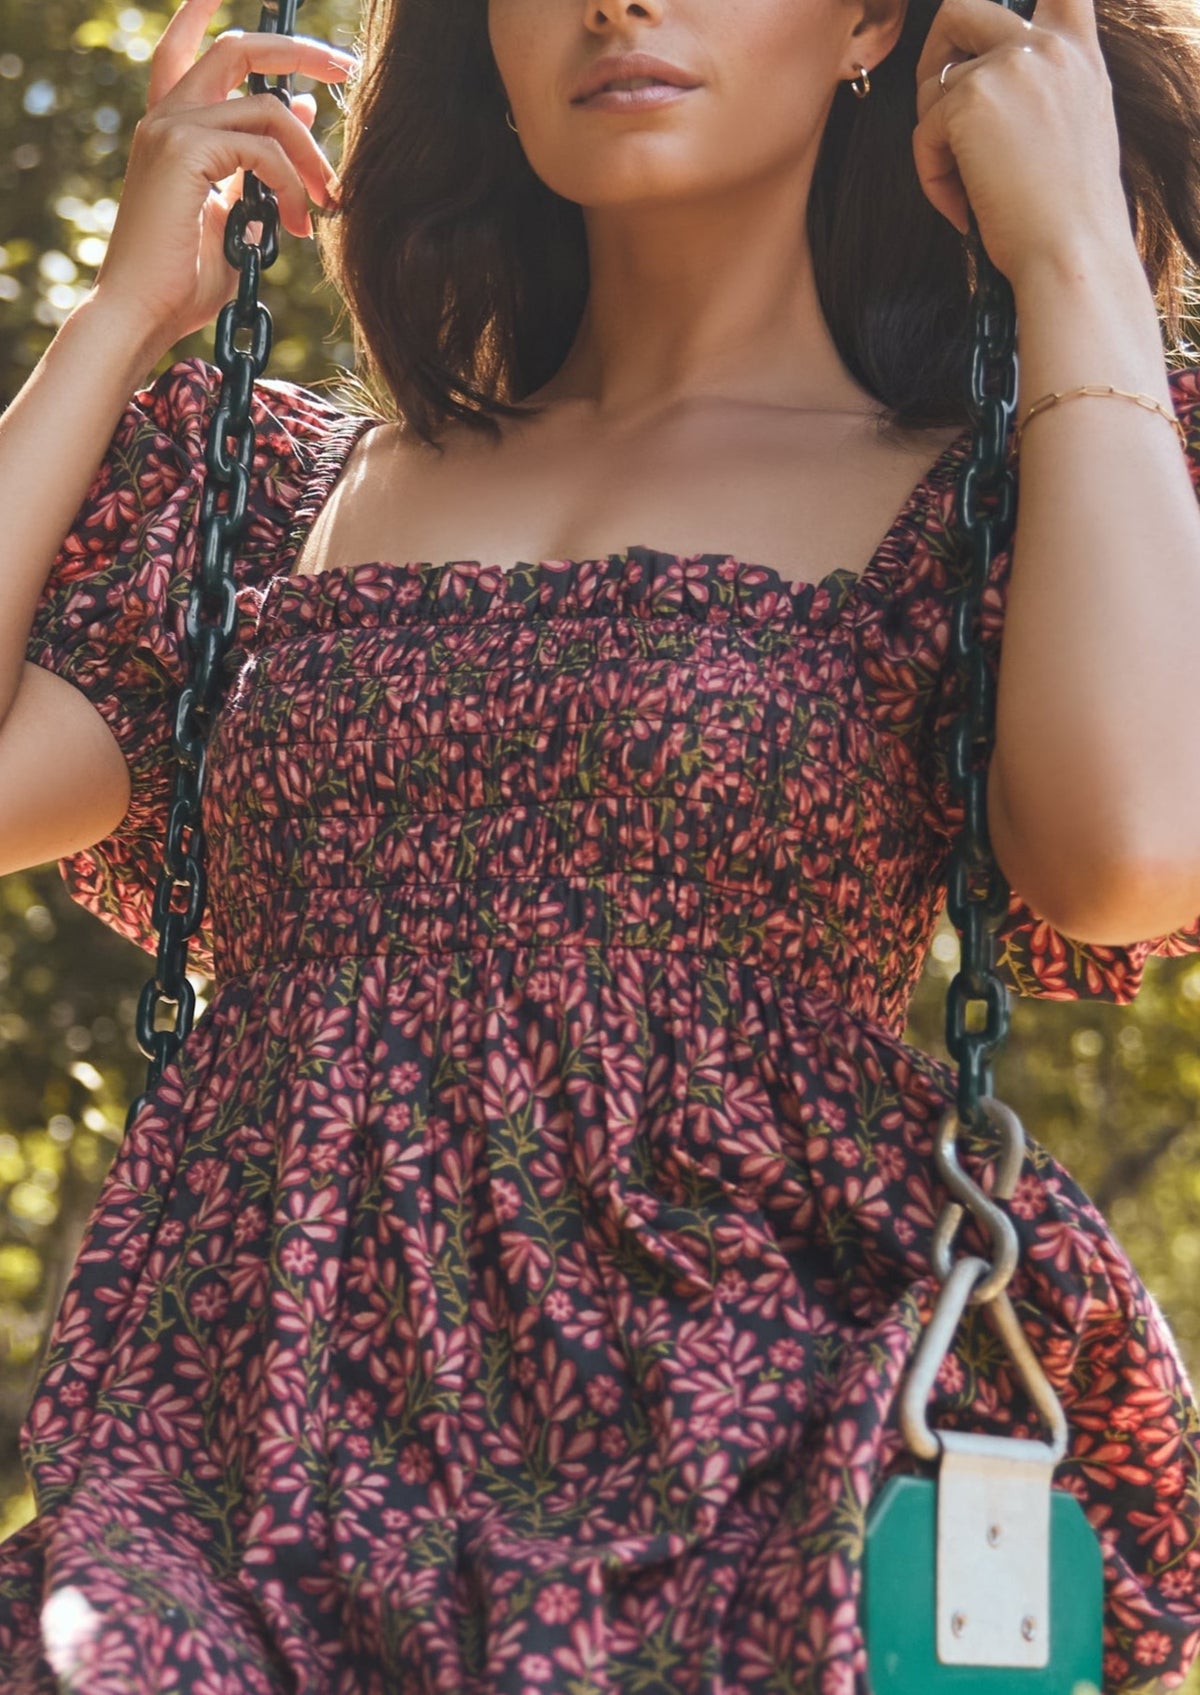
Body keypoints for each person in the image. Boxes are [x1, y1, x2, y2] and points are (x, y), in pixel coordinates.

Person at [2, 0, 1200, 1685]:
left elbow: (1127, 854)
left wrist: (1069, 245)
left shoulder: (987, 490)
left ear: (870, 22)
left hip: (734, 1456)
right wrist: (122, 318)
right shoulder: (271, 498)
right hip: (241, 1469)